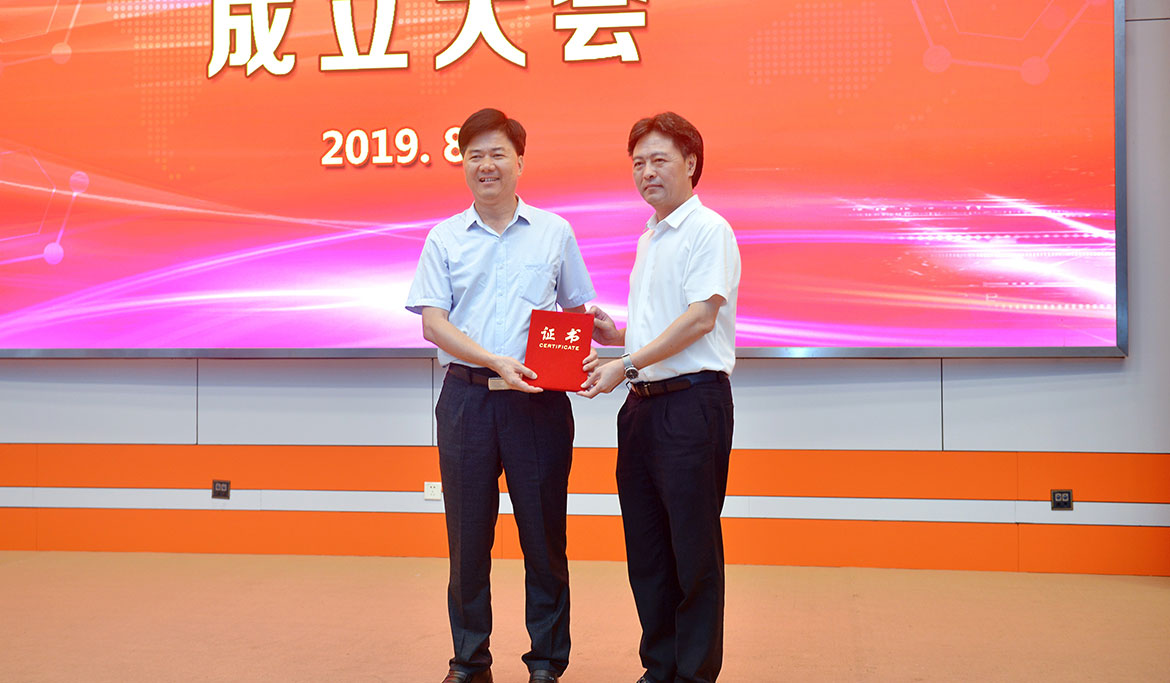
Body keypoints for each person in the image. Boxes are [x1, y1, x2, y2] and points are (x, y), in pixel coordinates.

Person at [407, 108, 596, 683]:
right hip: (466, 401)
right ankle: (470, 661)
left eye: (497, 154)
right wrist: (493, 360)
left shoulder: (554, 232)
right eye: (474, 155)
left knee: (544, 535)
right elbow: (433, 324)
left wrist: (599, 333)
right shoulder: (444, 237)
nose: (485, 165)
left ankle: (546, 663)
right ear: (463, 163)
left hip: (537, 402)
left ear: (519, 162)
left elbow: (576, 311)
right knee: (467, 539)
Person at [580, 112, 741, 683]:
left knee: (692, 549)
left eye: (659, 160)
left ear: (691, 163)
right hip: (642, 408)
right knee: (647, 548)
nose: (646, 172)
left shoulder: (708, 230)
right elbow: (660, 327)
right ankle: (660, 666)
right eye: (638, 163)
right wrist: (616, 337)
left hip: (692, 406)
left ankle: (694, 673)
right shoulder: (650, 236)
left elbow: (699, 320)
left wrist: (624, 363)